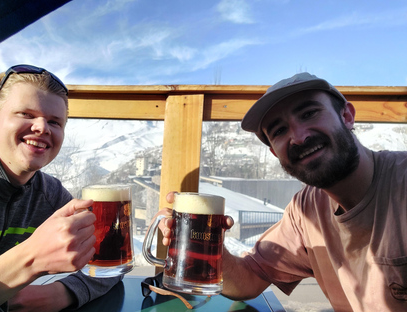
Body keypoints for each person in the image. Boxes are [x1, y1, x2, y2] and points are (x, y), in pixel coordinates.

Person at [158, 72, 407, 311]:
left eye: (309, 113)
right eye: (279, 131)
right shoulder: (306, 209)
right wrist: (209, 246)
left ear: (347, 117)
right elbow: (250, 278)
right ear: (275, 153)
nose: (298, 137)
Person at [0, 64, 121, 311]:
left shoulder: (52, 196)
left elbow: (111, 263)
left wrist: (60, 293)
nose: (42, 127)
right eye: (27, 114)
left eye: (55, 122)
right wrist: (29, 259)